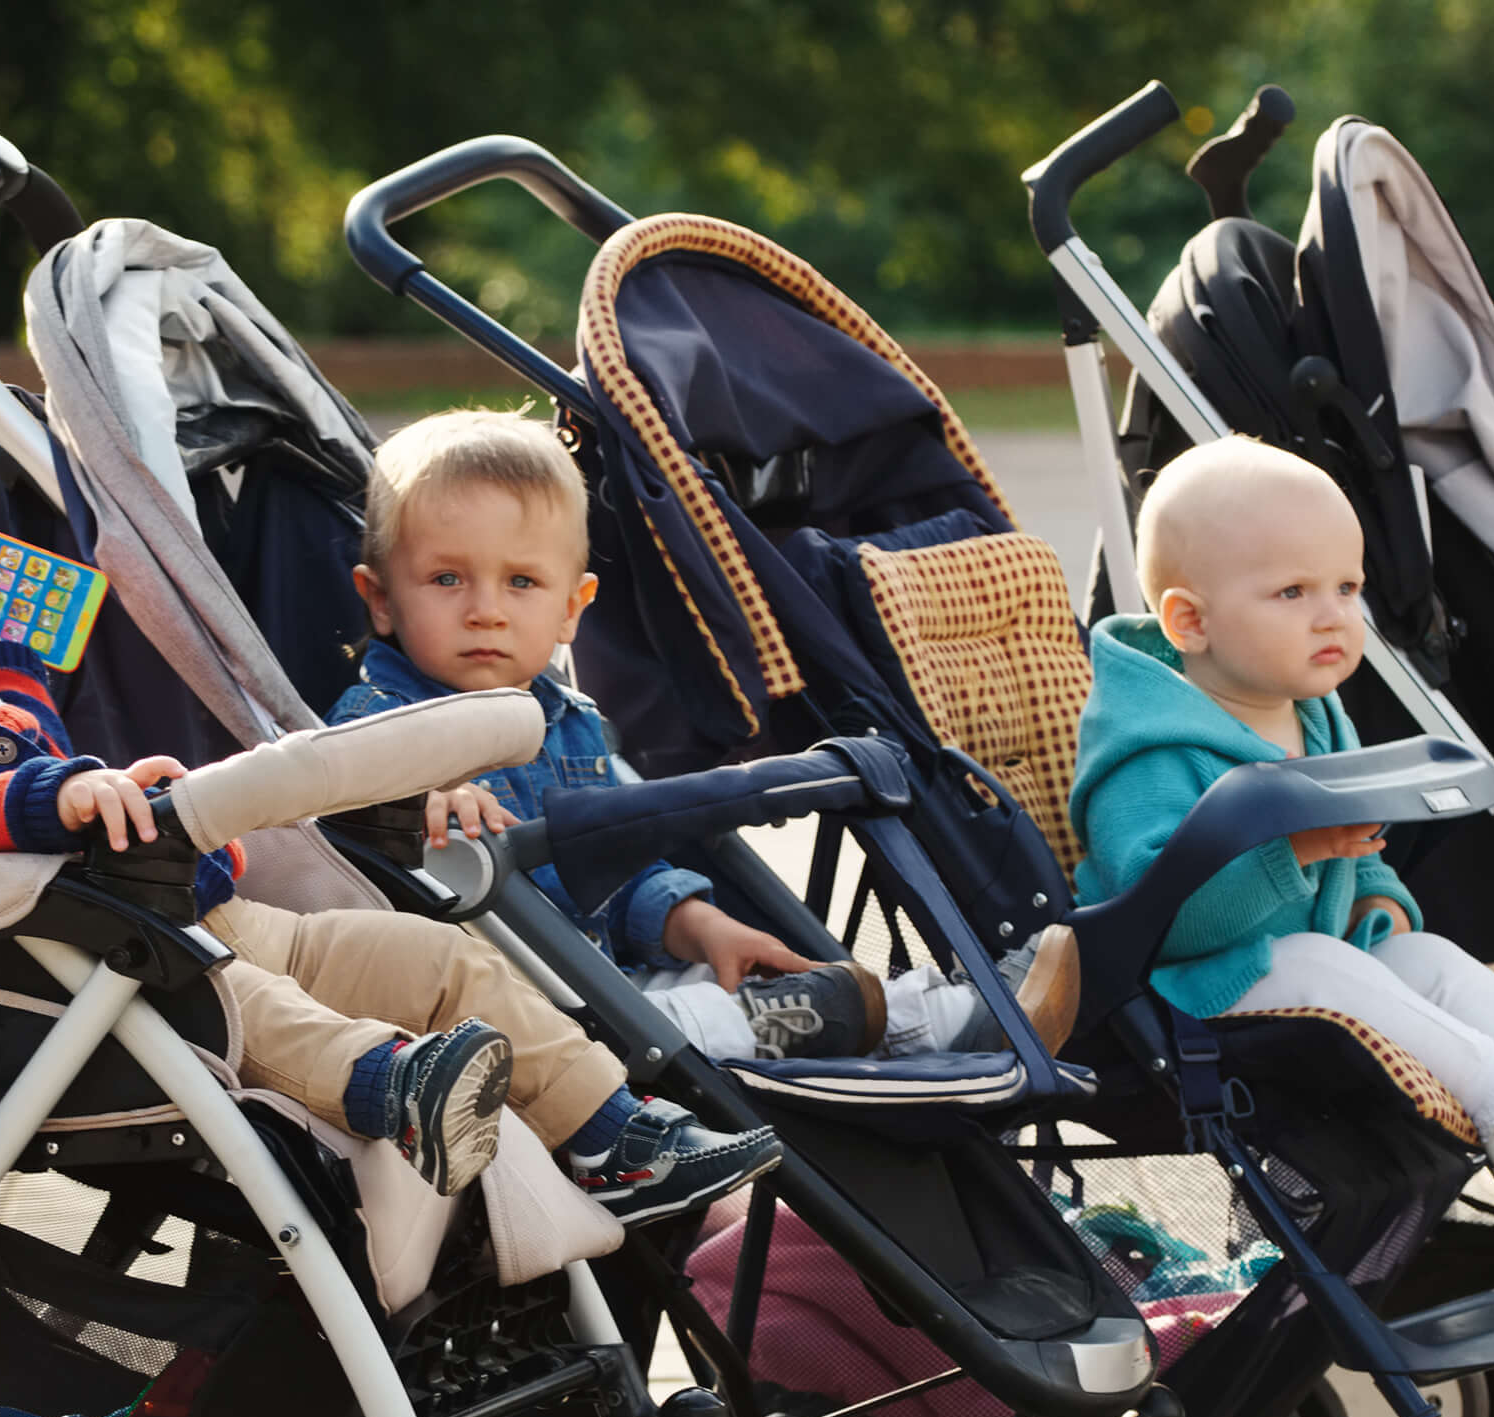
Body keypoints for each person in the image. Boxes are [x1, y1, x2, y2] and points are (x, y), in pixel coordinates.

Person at [0, 462, 779, 1224]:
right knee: (271, 1017)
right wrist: (54, 804)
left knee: (433, 959)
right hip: (91, 978)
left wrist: (1, 659)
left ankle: (613, 1135)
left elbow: (26, 735)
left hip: (190, 915)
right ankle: (388, 1088)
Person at [1074, 438, 1494, 1204]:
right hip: (1182, 989)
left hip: (1309, 963)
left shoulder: (1312, 712)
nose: (1333, 617)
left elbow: (1357, 851)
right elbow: (1161, 917)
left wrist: (1375, 893)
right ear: (1189, 621)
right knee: (1321, 960)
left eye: (1346, 587)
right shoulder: (1149, 751)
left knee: (1431, 957)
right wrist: (1297, 854)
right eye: (1292, 593)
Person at [327, 409, 1079, 1064]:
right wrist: (412, 802)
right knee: (688, 1025)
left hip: (605, 985)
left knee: (735, 984)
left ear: (571, 609)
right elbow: (330, 817)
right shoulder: (377, 721)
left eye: (521, 583)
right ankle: (844, 1023)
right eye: (447, 580)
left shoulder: (571, 723)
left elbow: (617, 877)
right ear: (381, 599)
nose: (486, 610)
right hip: (506, 1027)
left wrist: (702, 927)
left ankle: (947, 1015)